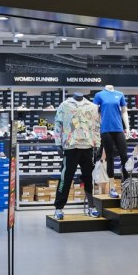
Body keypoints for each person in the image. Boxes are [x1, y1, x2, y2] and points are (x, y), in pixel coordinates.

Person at [53, 92, 102, 220]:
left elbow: (96, 126)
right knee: (65, 177)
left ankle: (91, 207)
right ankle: (58, 208)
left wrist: (97, 144)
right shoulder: (64, 105)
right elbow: (58, 124)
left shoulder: (92, 107)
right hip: (70, 146)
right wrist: (58, 143)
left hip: (87, 146)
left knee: (88, 178)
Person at [93, 84, 130, 198]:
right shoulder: (99, 95)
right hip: (106, 130)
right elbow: (94, 113)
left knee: (124, 156)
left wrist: (127, 127)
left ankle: (127, 185)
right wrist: (97, 126)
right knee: (109, 158)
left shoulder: (120, 94)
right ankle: (112, 188)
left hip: (118, 128)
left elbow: (124, 112)